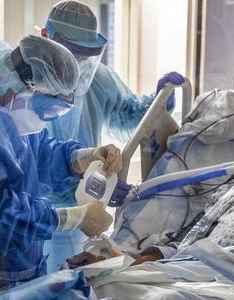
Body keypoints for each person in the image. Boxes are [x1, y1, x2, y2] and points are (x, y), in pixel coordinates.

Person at [0, 35, 120, 289]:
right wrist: (72, 218)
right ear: (25, 88)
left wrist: (83, 157)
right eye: (48, 110)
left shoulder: (8, 109)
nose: (47, 120)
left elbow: (40, 151)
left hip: (17, 273)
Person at [40, 0, 186, 272]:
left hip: (83, 221)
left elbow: (129, 115)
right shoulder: (27, 86)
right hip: (39, 220)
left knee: (74, 281)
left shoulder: (94, 79)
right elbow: (33, 166)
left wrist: (157, 105)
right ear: (45, 38)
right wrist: (82, 187)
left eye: (84, 57)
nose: (77, 65)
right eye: (71, 54)